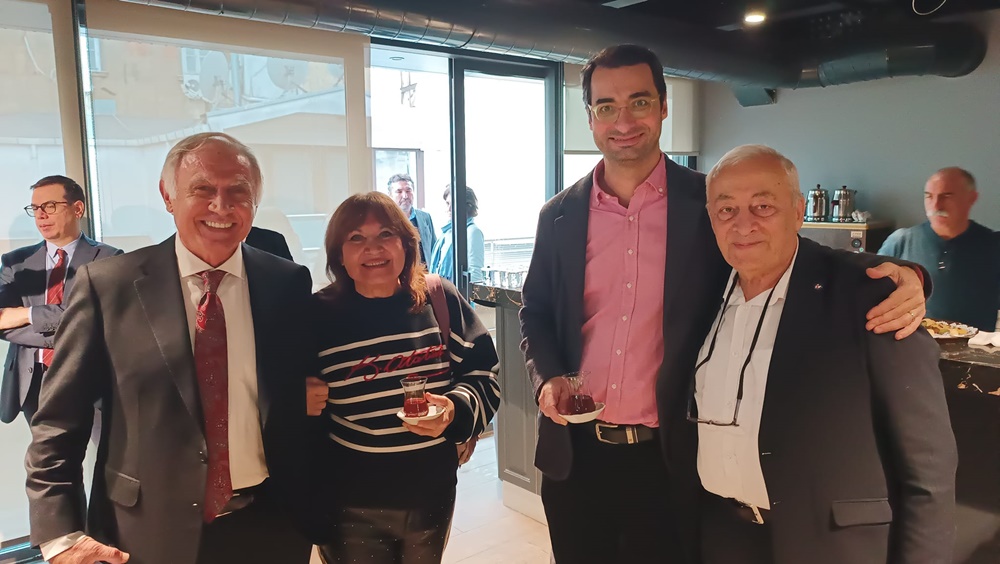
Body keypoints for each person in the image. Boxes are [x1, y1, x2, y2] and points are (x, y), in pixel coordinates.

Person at [519, 44, 930, 564]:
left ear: (663, 107)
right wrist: (547, 377)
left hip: (671, 458)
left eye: (639, 102)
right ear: (590, 118)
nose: (623, 121)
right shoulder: (557, 215)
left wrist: (907, 275)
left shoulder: (709, 202)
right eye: (606, 106)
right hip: (576, 458)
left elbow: (789, 248)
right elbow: (535, 311)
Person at [25, 132, 325, 564]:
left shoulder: (287, 282)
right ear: (168, 196)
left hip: (270, 526)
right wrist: (60, 534)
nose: (221, 206)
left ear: (255, 202)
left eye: (238, 192)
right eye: (202, 189)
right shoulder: (108, 287)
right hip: (144, 532)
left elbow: (294, 390)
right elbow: (58, 421)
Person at [687, 144, 957, 564]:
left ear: (798, 212)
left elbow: (928, 469)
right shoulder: (702, 293)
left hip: (830, 545)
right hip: (725, 535)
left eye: (763, 206)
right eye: (726, 210)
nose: (743, 224)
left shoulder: (870, 297)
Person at [305, 191, 500, 563]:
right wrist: (295, 395)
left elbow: (483, 375)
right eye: (356, 238)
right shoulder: (316, 316)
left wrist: (453, 411)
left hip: (431, 494)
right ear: (339, 255)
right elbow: (275, 389)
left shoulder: (439, 299)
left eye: (386, 234)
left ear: (407, 245)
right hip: (348, 502)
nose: (373, 248)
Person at [0, 175, 121, 424]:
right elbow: (3, 322)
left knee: (107, 449)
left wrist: (26, 314)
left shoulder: (109, 258)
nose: (41, 215)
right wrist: (74, 331)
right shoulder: (16, 262)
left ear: (78, 209)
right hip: (33, 383)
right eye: (35, 208)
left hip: (91, 381)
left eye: (50, 206)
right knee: (47, 451)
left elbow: (96, 319)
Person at [879, 167, 1000, 330]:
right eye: (929, 196)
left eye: (947, 196)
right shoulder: (900, 242)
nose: (936, 205)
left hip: (975, 345)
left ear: (971, 198)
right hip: (912, 342)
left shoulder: (993, 245)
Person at [429, 185, 486, 284]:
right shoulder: (448, 231)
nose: (449, 209)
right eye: (447, 203)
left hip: (458, 291)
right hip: (442, 289)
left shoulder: (472, 232)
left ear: (467, 206)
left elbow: (475, 274)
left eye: (454, 204)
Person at [387, 173, 436, 265]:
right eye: (399, 192)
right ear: (390, 195)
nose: (405, 196)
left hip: (423, 272)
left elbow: (433, 248)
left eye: (408, 190)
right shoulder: (385, 220)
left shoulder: (425, 217)